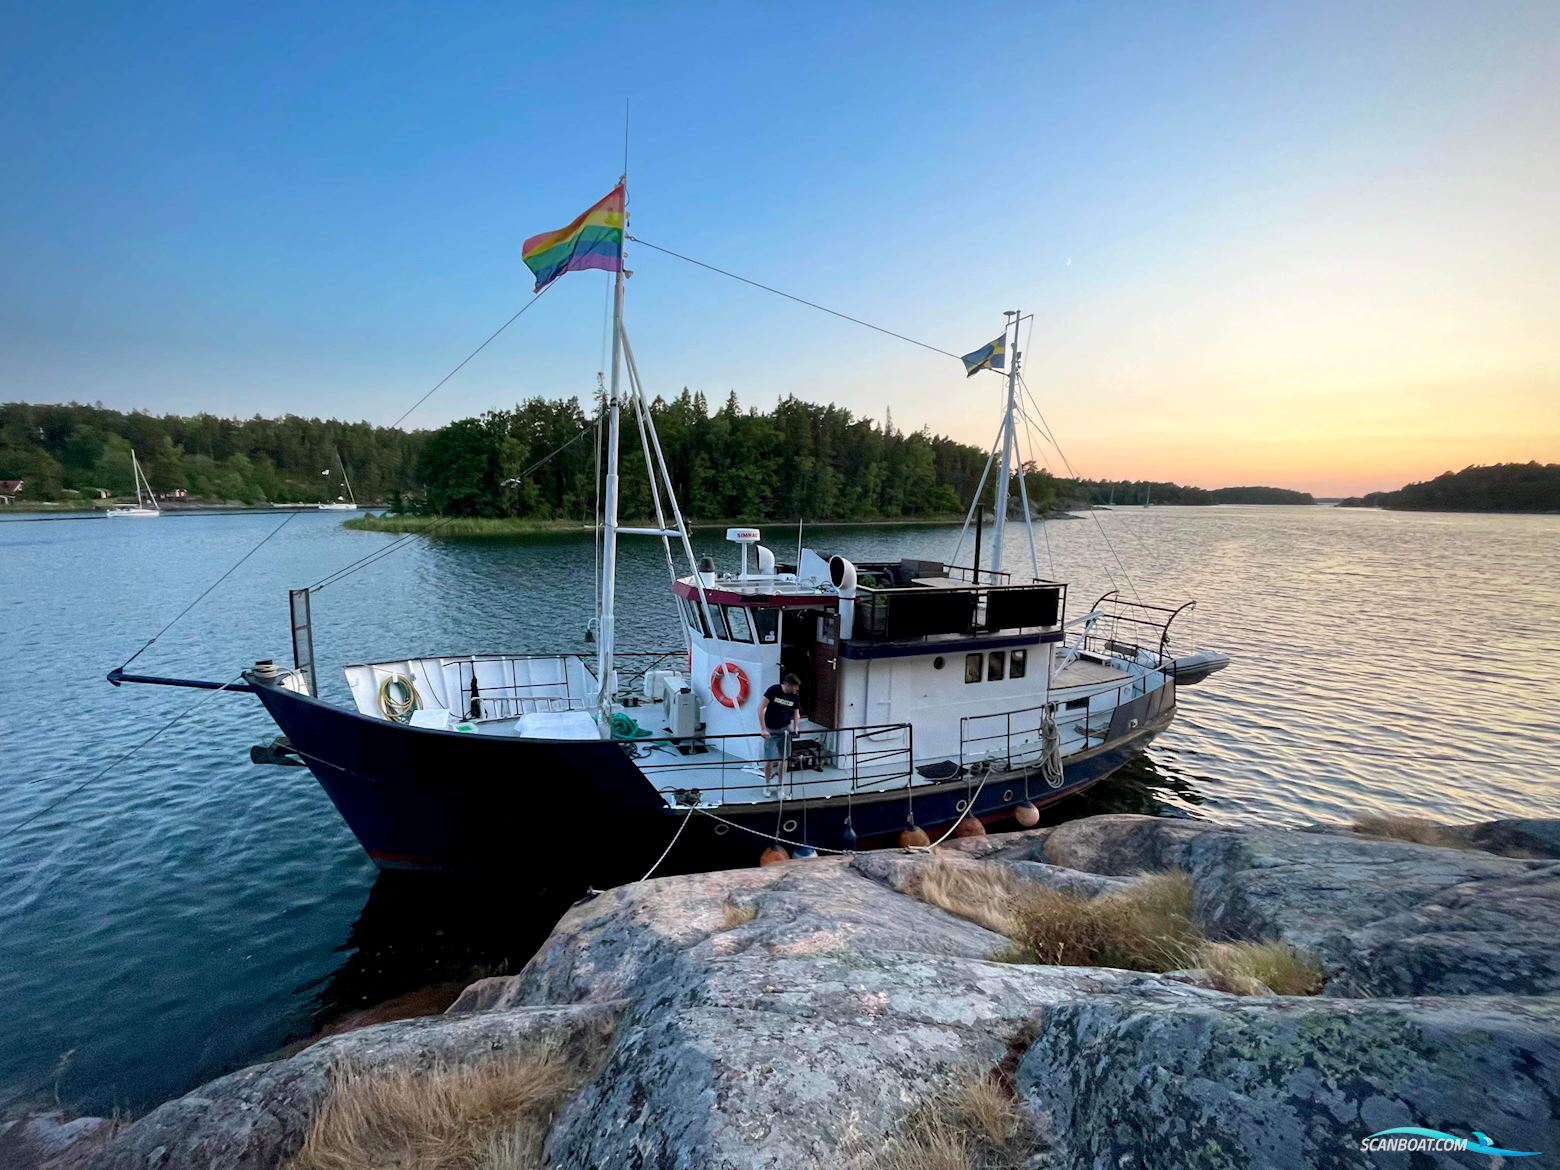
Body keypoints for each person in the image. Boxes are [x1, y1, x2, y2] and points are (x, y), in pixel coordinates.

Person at [758, 673, 802, 795]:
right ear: (788, 685)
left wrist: (796, 727)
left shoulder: (795, 696)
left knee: (784, 758)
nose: (796, 689)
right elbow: (761, 708)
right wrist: (763, 729)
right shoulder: (773, 690)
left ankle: (780, 785)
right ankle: (767, 784)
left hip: (785, 730)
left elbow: (796, 713)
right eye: (795, 687)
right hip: (771, 730)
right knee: (769, 760)